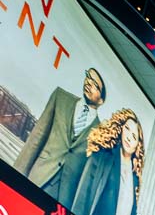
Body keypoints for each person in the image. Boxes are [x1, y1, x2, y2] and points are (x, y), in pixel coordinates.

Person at [14, 68, 106, 205]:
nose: (89, 83)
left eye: (95, 85)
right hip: (38, 177)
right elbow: (36, 138)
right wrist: (16, 177)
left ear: (101, 100)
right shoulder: (61, 98)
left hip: (64, 200)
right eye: (88, 78)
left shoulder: (101, 132)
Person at [72, 109, 145, 215]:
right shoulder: (104, 156)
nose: (129, 138)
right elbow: (84, 194)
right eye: (127, 129)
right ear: (120, 129)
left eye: (134, 136)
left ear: (138, 144)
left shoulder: (135, 178)